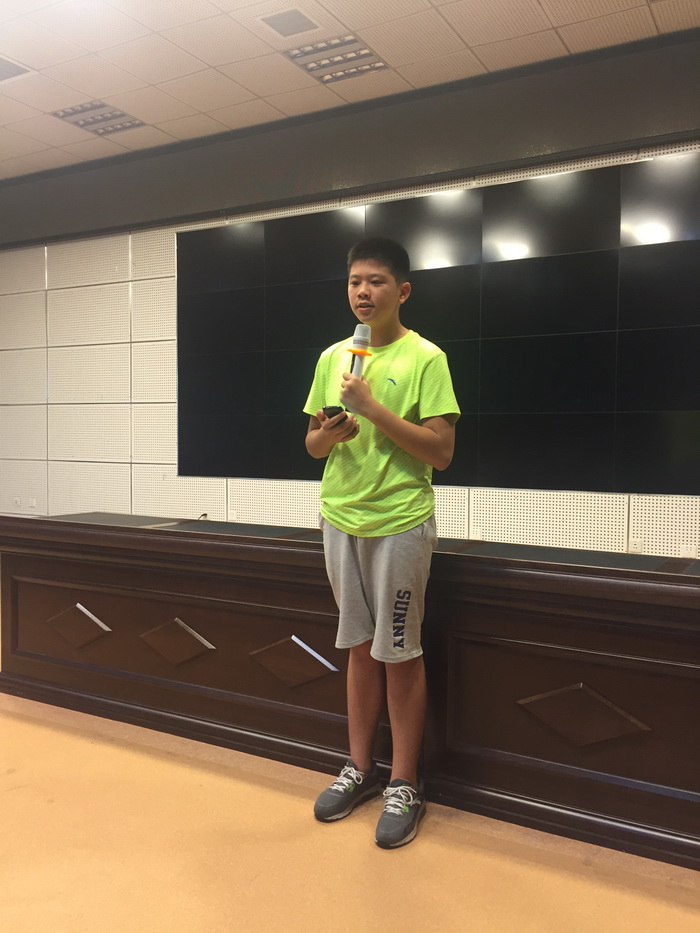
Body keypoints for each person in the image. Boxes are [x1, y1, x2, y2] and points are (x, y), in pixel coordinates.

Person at [303, 237, 460, 848]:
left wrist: (370, 409)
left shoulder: (427, 358)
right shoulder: (333, 357)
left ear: (403, 290)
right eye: (354, 282)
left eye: (375, 281)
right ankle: (359, 768)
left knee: (399, 652)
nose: (363, 292)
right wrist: (333, 434)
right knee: (359, 648)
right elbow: (312, 445)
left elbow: (440, 452)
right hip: (339, 519)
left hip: (399, 523)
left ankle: (404, 782)